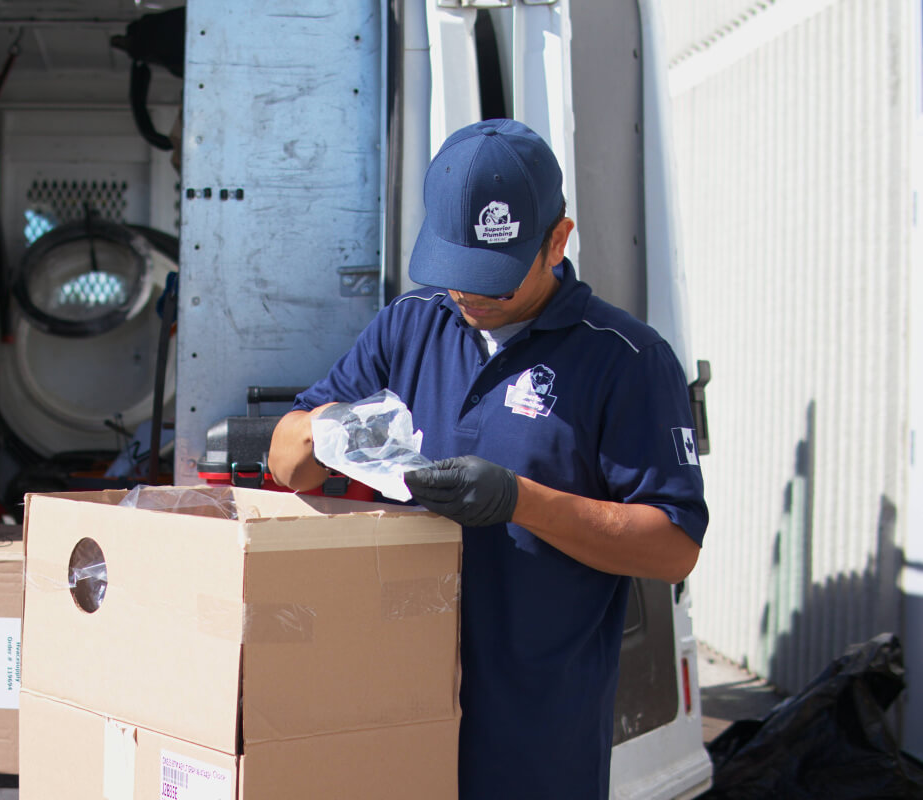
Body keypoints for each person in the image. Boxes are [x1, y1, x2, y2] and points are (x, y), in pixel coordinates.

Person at [267, 118, 707, 799]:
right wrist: (330, 433)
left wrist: (521, 501)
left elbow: (673, 548)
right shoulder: (411, 323)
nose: (467, 295)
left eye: (492, 280)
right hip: (394, 713)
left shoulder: (627, 360)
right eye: (454, 272)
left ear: (557, 241)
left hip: (536, 740)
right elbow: (286, 461)